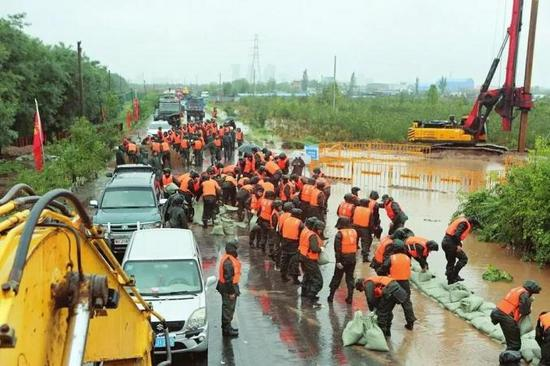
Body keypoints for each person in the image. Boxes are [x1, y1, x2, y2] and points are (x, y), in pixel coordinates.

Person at [491, 280, 542, 351]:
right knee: (514, 345)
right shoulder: (525, 294)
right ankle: (508, 360)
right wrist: (529, 306)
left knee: (511, 339)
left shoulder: (517, 289)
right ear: (531, 290)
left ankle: (508, 354)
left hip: (497, 312)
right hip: (506, 316)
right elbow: (524, 311)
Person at [378, 240, 416, 330]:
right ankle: (410, 322)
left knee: (388, 303)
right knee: (406, 303)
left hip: (394, 283)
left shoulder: (392, 258)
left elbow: (383, 269)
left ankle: (384, 324)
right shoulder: (407, 258)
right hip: (405, 283)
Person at [327, 217, 358, 304]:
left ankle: (331, 296)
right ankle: (350, 297)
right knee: (350, 278)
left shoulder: (339, 234)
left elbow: (337, 250)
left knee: (337, 278)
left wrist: (338, 261)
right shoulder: (354, 232)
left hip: (342, 260)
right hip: (352, 259)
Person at [442, 216, 480, 285]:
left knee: (451, 262)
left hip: (446, 242)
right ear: (471, 224)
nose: (471, 228)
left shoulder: (462, 220)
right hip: (451, 243)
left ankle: (450, 278)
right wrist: (458, 245)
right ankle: (453, 276)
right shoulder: (465, 224)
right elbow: (457, 235)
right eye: (473, 227)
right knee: (463, 259)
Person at [216, 239, 241, 337]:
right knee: (228, 308)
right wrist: (231, 292)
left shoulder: (228, 258)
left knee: (228, 307)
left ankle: (227, 327)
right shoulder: (229, 261)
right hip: (228, 288)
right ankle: (226, 329)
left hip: (226, 286)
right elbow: (228, 279)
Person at [299, 218, 325, 303]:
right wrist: (321, 249)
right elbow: (314, 248)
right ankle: (311, 295)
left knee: (307, 276)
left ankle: (304, 293)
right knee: (318, 280)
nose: (321, 232)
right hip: (309, 259)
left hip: (303, 256)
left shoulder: (306, 231)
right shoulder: (313, 236)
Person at [280, 208, 304, 284]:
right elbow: (302, 234)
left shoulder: (286, 220)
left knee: (284, 260)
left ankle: (283, 276)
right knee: (295, 262)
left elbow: (280, 231)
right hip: (294, 244)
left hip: (285, 242)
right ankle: (295, 279)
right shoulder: (299, 223)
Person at [352, 198, 373, 262]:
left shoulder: (355, 208)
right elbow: (370, 223)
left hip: (355, 227)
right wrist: (371, 231)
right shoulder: (369, 211)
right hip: (364, 229)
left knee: (355, 241)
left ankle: (353, 255)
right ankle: (365, 257)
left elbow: (351, 217)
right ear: (367, 204)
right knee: (365, 242)